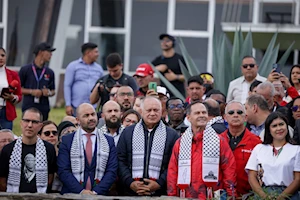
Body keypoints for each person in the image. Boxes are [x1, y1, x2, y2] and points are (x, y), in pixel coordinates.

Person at [167, 101, 236, 199]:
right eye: (197, 113)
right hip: (186, 196)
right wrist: (172, 196)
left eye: (204, 113)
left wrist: (231, 195)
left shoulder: (219, 141)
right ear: (188, 118)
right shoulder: (180, 143)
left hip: (212, 196)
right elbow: (173, 172)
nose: (201, 115)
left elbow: (229, 170)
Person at [117, 96, 179, 196]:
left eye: (156, 110)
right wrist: (130, 182)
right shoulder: (128, 132)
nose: (152, 113)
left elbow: (174, 163)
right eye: (149, 110)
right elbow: (120, 160)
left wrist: (159, 183)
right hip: (130, 191)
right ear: (141, 112)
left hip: (160, 192)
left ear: (162, 112)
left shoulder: (172, 135)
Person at [57, 103, 117, 195]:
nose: (91, 118)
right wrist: (81, 192)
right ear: (78, 120)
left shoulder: (109, 141)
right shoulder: (67, 140)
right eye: (86, 115)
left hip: (100, 195)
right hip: (72, 194)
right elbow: (63, 170)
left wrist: (96, 192)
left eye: (93, 114)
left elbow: (111, 171)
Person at [0, 107, 56, 193]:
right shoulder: (8, 149)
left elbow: (50, 177)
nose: (30, 125)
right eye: (26, 121)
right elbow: (3, 180)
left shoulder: (49, 149)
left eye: (34, 122)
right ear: (21, 123)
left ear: (40, 126)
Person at [245, 112, 300, 199]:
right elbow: (252, 176)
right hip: (263, 193)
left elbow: (298, 179)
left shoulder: (297, 150)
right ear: (269, 130)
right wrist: (264, 196)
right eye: (274, 126)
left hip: (289, 194)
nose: (279, 128)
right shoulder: (259, 148)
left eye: (281, 124)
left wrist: (280, 198)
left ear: (287, 126)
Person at [220, 101, 261, 196]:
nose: (235, 115)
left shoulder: (256, 142)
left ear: (246, 117)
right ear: (225, 117)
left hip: (248, 196)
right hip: (222, 195)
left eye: (239, 112)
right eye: (231, 113)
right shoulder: (217, 141)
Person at [64, 43, 103, 116]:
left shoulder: (99, 68)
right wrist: (68, 104)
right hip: (76, 106)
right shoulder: (73, 66)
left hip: (93, 107)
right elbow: (67, 85)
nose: (98, 54)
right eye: (96, 52)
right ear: (88, 53)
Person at [19, 42, 56, 120]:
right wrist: (32, 92)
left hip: (43, 107)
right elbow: (18, 89)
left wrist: (48, 92)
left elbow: (53, 91)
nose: (51, 55)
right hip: (28, 106)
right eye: (49, 52)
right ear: (41, 52)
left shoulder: (50, 72)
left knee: (43, 129)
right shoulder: (25, 70)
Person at [0, 48, 22, 130]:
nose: (0, 58)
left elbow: (19, 95)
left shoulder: (13, 74)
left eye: (3, 55)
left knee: (6, 139)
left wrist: (12, 97)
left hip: (6, 112)